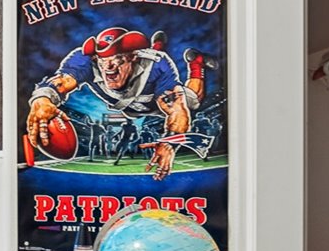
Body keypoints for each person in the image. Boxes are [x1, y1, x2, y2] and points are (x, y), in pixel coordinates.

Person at [24, 27, 207, 181]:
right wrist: (42, 101)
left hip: (155, 105)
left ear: (133, 57)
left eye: (117, 58)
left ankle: (196, 64)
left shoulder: (157, 65)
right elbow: (61, 82)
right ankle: (156, 45)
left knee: (193, 101)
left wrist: (169, 143)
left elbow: (178, 111)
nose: (108, 67)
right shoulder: (86, 60)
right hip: (129, 108)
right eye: (103, 60)